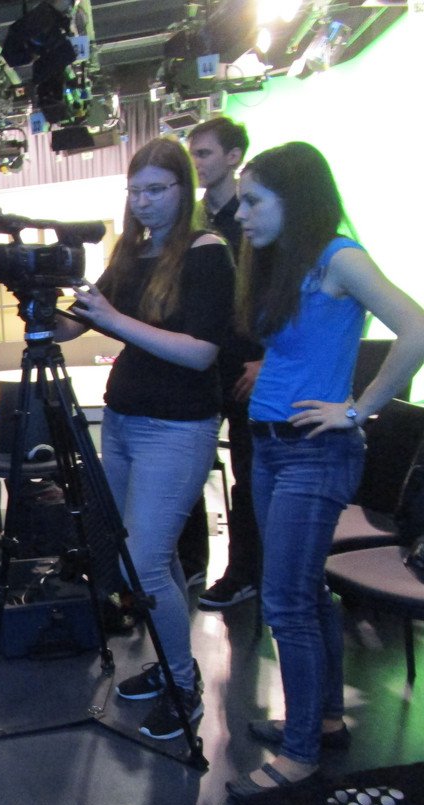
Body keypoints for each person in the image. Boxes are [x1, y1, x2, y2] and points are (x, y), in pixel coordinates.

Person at [224, 142, 424, 796]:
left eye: (254, 201)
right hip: (271, 446)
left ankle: (302, 753)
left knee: (285, 601)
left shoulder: (339, 256)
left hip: (314, 451)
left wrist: (359, 408)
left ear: (296, 198)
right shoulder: (287, 263)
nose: (242, 214)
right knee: (304, 594)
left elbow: (416, 327)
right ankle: (326, 720)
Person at [58, 138, 235, 740]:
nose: (143, 201)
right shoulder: (133, 253)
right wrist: (43, 303)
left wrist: (114, 320)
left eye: (156, 189)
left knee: (144, 563)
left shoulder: (207, 252)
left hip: (176, 428)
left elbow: (201, 352)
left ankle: (184, 686)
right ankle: (172, 666)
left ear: (184, 189)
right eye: (135, 191)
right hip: (124, 422)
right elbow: (80, 320)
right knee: (146, 560)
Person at [186, 116, 266, 611]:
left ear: (233, 157)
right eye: (193, 154)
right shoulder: (194, 220)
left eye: (205, 153)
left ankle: (243, 573)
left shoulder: (254, 219)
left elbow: (275, 295)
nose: (196, 163)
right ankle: (191, 561)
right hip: (200, 365)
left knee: (246, 474)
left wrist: (266, 359)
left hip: (244, 367)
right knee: (188, 465)